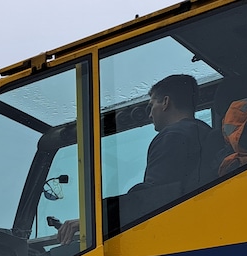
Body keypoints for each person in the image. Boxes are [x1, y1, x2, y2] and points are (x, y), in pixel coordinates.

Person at [58, 74, 225, 244]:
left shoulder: (173, 136)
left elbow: (151, 199)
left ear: (165, 102)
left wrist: (92, 220)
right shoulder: (206, 134)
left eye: (151, 105)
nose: (150, 115)